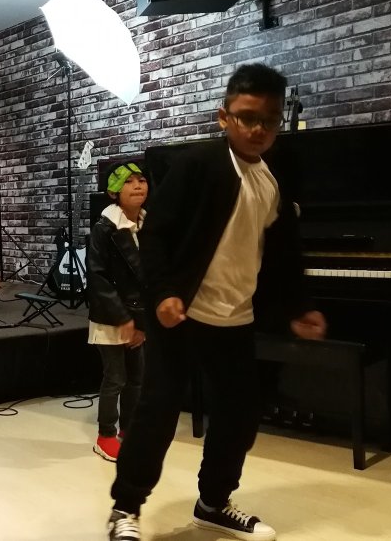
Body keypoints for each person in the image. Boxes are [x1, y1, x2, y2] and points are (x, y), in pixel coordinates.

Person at [105, 64, 327, 541]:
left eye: (270, 119)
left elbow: (283, 250)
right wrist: (164, 293)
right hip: (182, 314)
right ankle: (125, 508)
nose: (258, 129)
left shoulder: (274, 176)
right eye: (247, 117)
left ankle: (213, 503)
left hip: (236, 318)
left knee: (239, 415)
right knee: (158, 411)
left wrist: (299, 305)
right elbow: (156, 234)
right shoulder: (198, 165)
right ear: (224, 117)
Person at [86, 162, 148, 462]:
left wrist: (142, 323)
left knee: (137, 378)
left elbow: (151, 277)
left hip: (138, 317)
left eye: (141, 180)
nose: (137, 185)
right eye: (128, 181)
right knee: (115, 379)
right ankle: (105, 436)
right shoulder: (104, 228)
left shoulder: (148, 225)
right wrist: (123, 318)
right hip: (111, 317)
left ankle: (130, 430)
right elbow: (97, 277)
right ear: (113, 192)